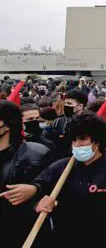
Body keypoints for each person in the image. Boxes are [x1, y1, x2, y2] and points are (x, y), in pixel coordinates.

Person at [28, 112, 106, 247]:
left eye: (83, 139)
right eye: (74, 140)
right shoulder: (61, 167)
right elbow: (38, 188)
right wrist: (38, 204)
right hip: (66, 239)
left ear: (97, 140)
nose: (77, 144)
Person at [0, 100, 51, 248]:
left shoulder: (36, 154)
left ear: (8, 125)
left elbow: (55, 187)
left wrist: (35, 189)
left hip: (22, 232)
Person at [45, 88, 87, 158]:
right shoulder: (59, 122)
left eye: (69, 103)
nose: (66, 106)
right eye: (65, 103)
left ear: (80, 106)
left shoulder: (89, 123)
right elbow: (47, 138)